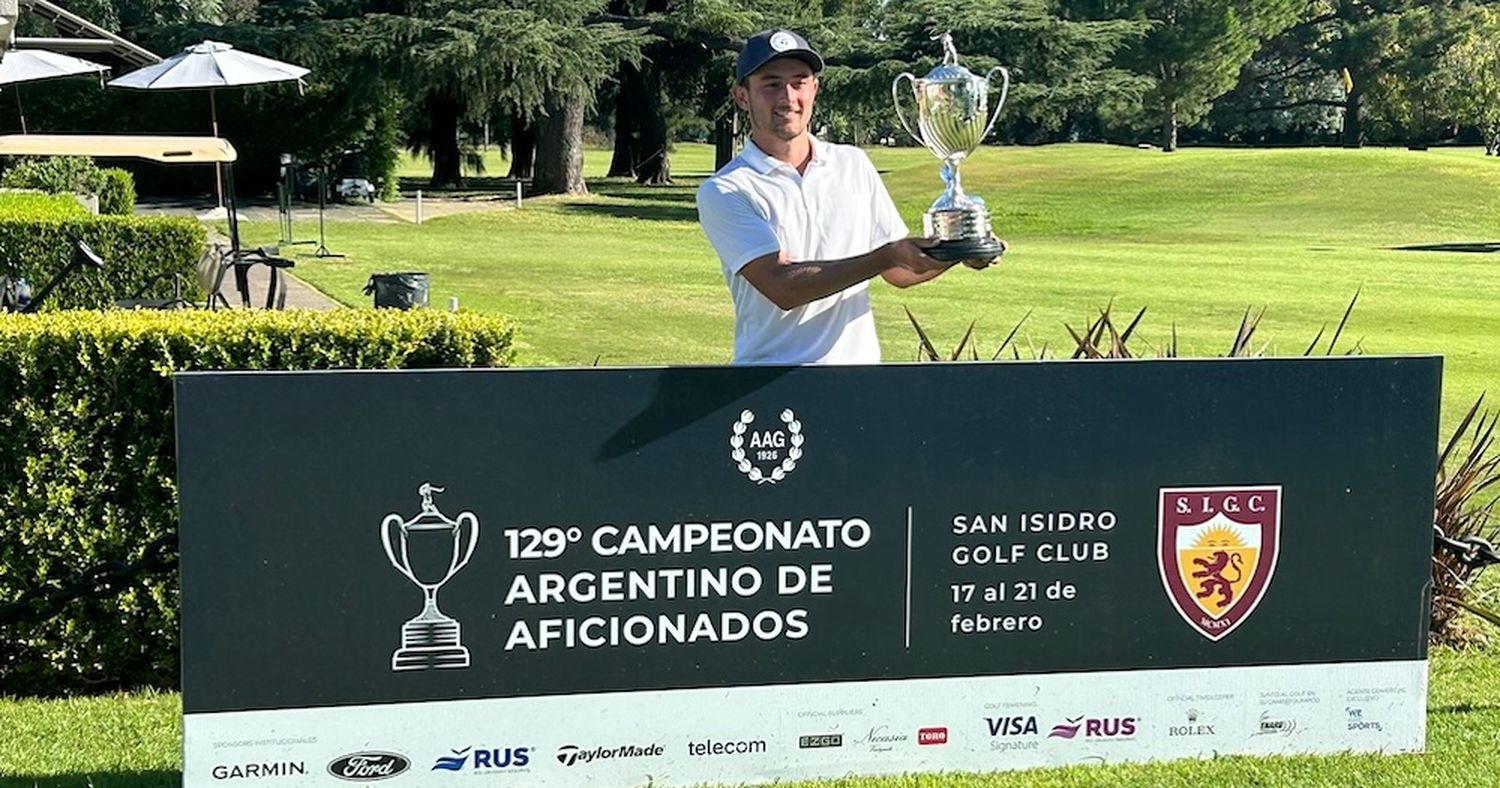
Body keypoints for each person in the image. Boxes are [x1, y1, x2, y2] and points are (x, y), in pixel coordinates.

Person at [696, 28, 1004, 366]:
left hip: (857, 382)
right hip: (768, 384)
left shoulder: (852, 164)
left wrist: (958, 251)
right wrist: (886, 257)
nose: (787, 97)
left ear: (814, 89)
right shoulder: (727, 189)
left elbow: (900, 272)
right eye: (771, 84)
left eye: (799, 82)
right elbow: (782, 287)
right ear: (742, 96)